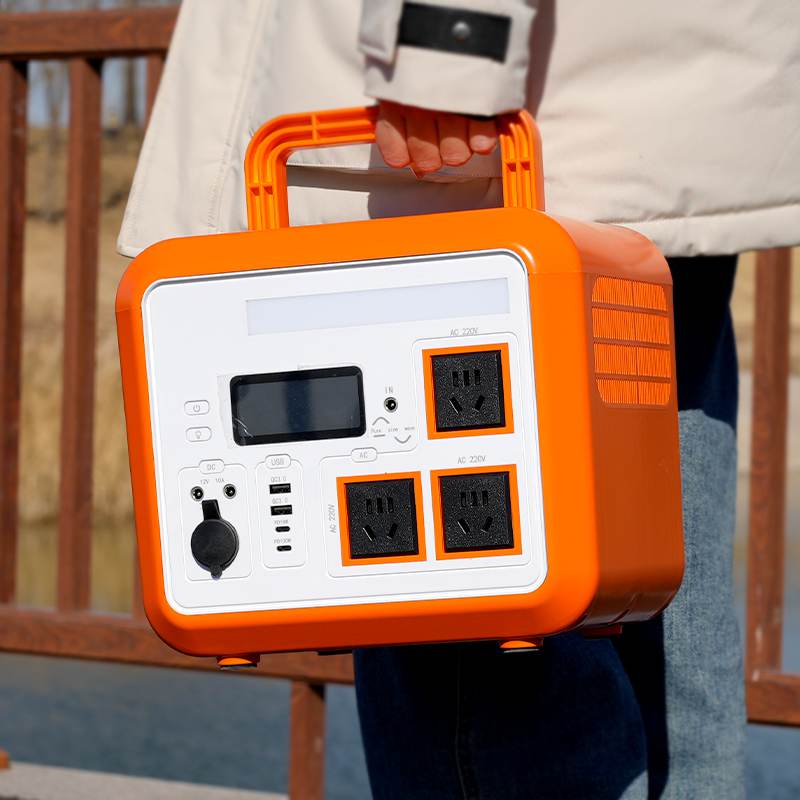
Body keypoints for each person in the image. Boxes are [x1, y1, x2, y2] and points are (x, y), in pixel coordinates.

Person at [119, 2, 800, 797]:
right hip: (639, 134)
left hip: (468, 139)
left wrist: (444, 56)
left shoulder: (451, 91)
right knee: (661, 648)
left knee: (489, 642)